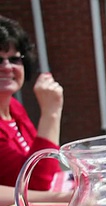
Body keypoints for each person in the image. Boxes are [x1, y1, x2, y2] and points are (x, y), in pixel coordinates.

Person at [0, 16, 62, 190]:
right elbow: (36, 183)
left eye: (14, 59)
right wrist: (51, 113)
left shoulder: (14, 108)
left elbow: (51, 168)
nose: (7, 67)